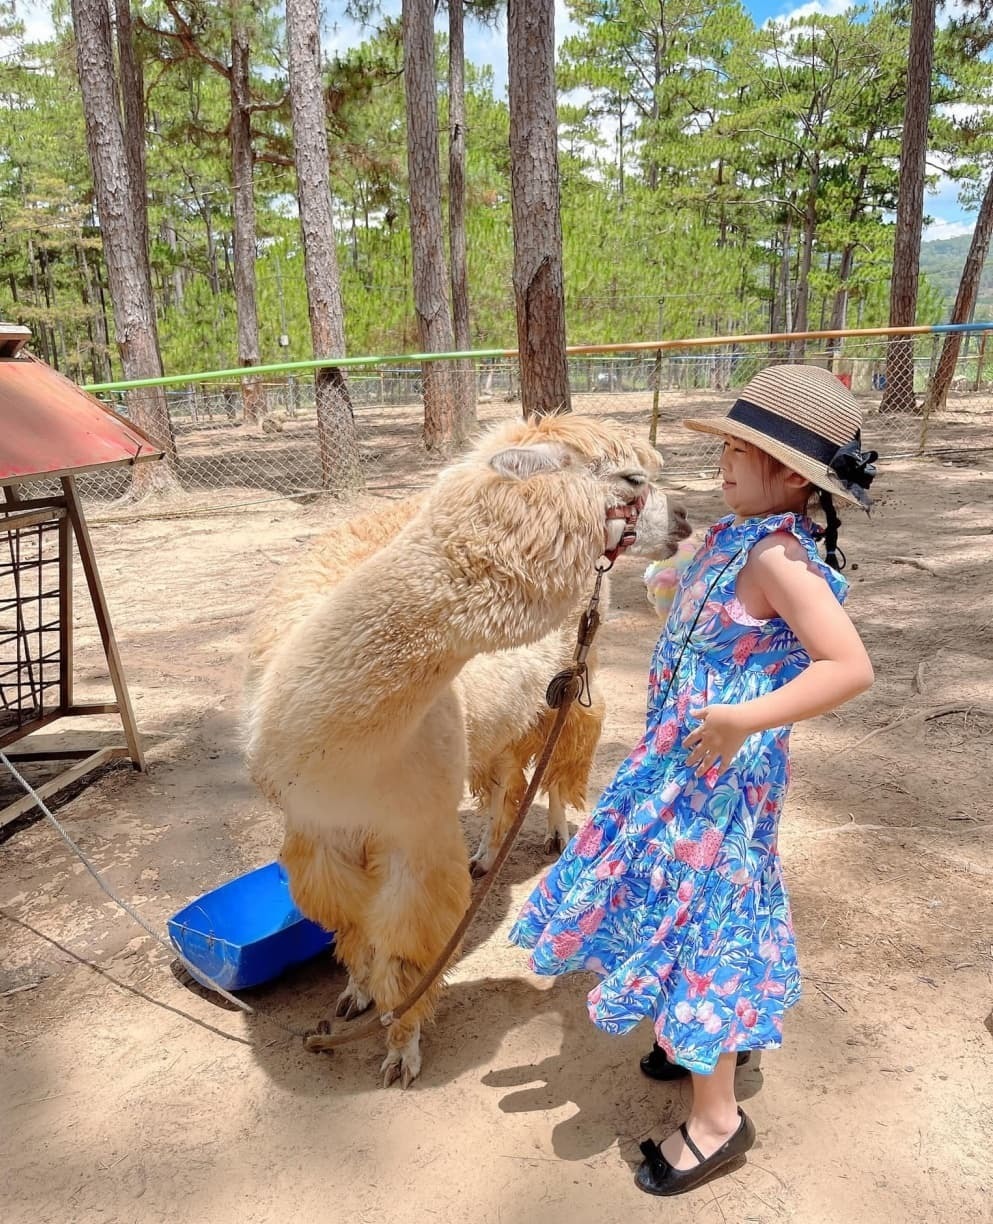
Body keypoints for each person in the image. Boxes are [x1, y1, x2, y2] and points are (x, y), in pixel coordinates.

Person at [509, 364, 877, 1196]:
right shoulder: (735, 537)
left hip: (720, 776)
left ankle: (715, 1118)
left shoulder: (781, 557)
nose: (722, 464)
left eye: (739, 451)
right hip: (679, 764)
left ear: (791, 475)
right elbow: (691, 594)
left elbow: (847, 667)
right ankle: (698, 1035)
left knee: (702, 912)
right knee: (671, 893)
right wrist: (664, 570)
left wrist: (744, 717)